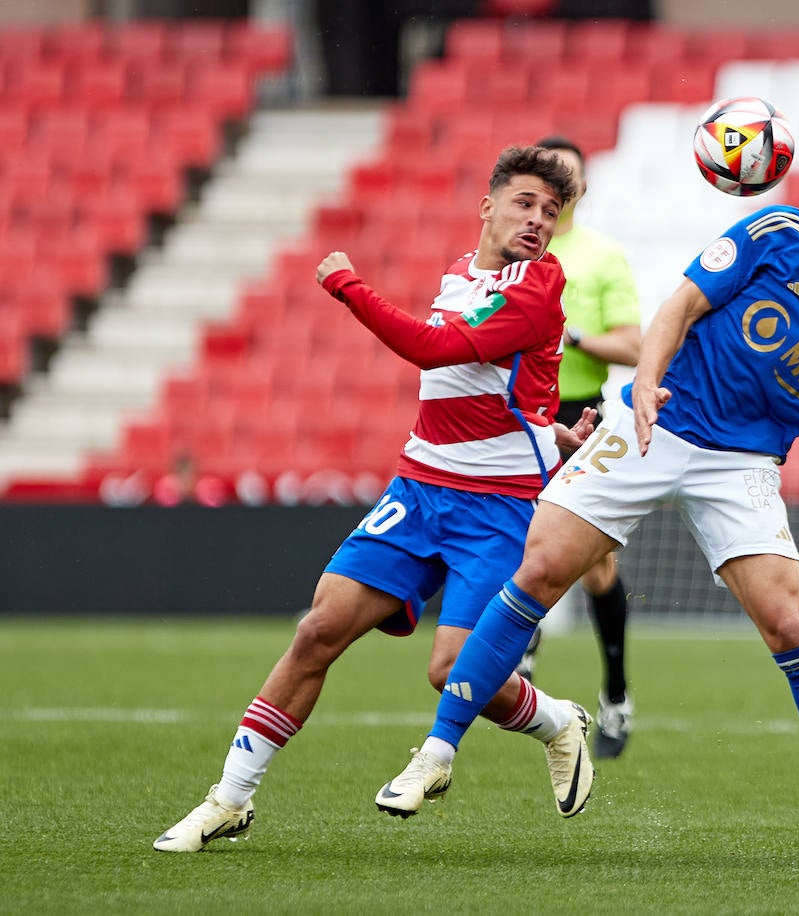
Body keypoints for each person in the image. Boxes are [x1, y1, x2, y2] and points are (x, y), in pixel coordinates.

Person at [379, 160, 799, 865]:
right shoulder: (778, 230)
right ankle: (437, 753)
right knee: (538, 571)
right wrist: (649, 383)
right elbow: (680, 306)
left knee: (789, 625)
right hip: (650, 421)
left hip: (741, 466)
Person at [153, 146, 598, 852]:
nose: (538, 220)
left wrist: (347, 285)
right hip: (419, 488)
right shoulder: (461, 271)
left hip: (500, 508)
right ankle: (229, 800)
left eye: (552, 211)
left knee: (452, 670)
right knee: (317, 631)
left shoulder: (540, 286)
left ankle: (554, 720)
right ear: (487, 205)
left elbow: (429, 350)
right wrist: (550, 425)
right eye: (524, 202)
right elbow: (501, 386)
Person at [516, 135, 643, 759]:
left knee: (595, 566)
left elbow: (635, 346)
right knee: (518, 540)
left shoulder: (600, 256)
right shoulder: (508, 251)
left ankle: (616, 692)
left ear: (582, 189)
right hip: (513, 413)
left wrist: (576, 336)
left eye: (567, 178)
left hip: (579, 416)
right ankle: (522, 662)